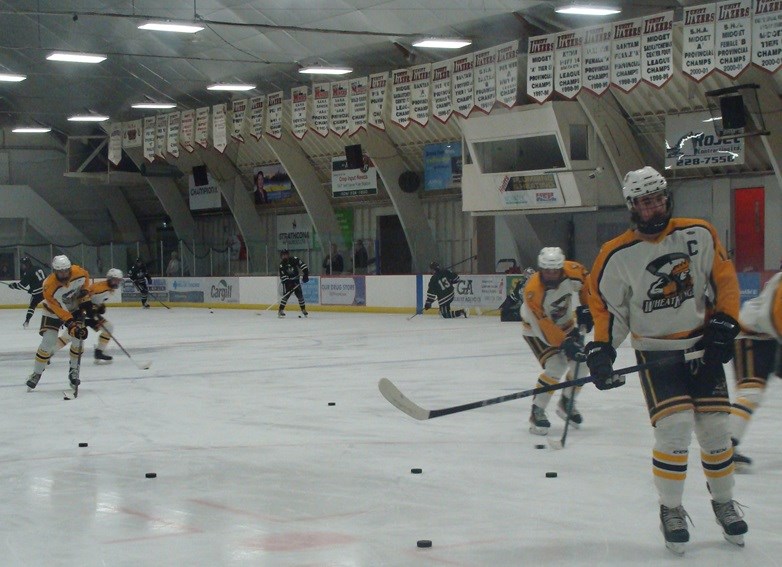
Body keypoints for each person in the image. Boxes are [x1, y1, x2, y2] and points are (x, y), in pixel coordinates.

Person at [585, 166, 747, 554]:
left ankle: (724, 501)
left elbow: (723, 278)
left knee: (716, 429)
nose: (654, 207)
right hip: (657, 353)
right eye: (645, 202)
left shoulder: (698, 232)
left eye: (658, 198)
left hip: (700, 346)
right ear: (632, 206)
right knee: (674, 429)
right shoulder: (616, 254)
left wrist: (725, 320)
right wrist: (603, 349)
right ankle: (671, 509)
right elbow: (609, 309)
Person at [521, 249, 591, 434]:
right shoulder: (533, 292)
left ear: (561, 267)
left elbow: (588, 284)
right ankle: (537, 411)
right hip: (536, 330)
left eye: (555, 270)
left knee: (582, 365)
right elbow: (544, 326)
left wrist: (586, 307)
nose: (551, 274)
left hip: (565, 324)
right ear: (540, 268)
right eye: (546, 270)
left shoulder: (574, 270)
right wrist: (566, 343)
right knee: (556, 366)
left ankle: (567, 402)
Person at [728, 270, 782, 470]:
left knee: (753, 393)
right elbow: (774, 314)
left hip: (768, 338)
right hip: (750, 334)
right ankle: (725, 448)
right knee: (751, 392)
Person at [26, 255, 90, 395]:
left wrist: (85, 292)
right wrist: (71, 324)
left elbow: (86, 276)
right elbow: (59, 309)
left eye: (66, 271)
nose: (64, 274)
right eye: (60, 272)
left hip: (73, 307)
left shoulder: (78, 272)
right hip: (53, 311)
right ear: (54, 271)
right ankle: (36, 373)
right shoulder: (49, 286)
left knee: (78, 339)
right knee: (48, 342)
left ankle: (74, 371)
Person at [54, 269, 124, 363]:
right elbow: (83, 295)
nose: (117, 282)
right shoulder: (100, 287)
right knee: (69, 336)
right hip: (81, 313)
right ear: (110, 279)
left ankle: (99, 352)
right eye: (115, 280)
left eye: (119, 280)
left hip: (90, 314)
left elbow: (96, 300)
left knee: (108, 327)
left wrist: (99, 307)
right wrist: (89, 308)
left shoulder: (110, 289)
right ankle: (48, 354)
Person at [9, 256, 46, 328]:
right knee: (53, 304)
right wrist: (32, 288)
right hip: (46, 290)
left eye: (23, 264)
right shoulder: (38, 268)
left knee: (32, 306)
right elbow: (43, 279)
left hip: (37, 294)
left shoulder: (28, 272)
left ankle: (27, 321)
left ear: (27, 264)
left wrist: (13, 286)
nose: (22, 266)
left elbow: (21, 286)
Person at [278, 249, 309, 318]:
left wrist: (306, 274)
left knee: (300, 295)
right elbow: (283, 276)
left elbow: (303, 266)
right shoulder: (281, 265)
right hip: (288, 281)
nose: (284, 256)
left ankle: (303, 309)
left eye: (285, 255)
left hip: (296, 280)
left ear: (288, 255)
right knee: (286, 296)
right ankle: (280, 310)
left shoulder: (294, 259)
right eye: (283, 255)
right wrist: (288, 284)